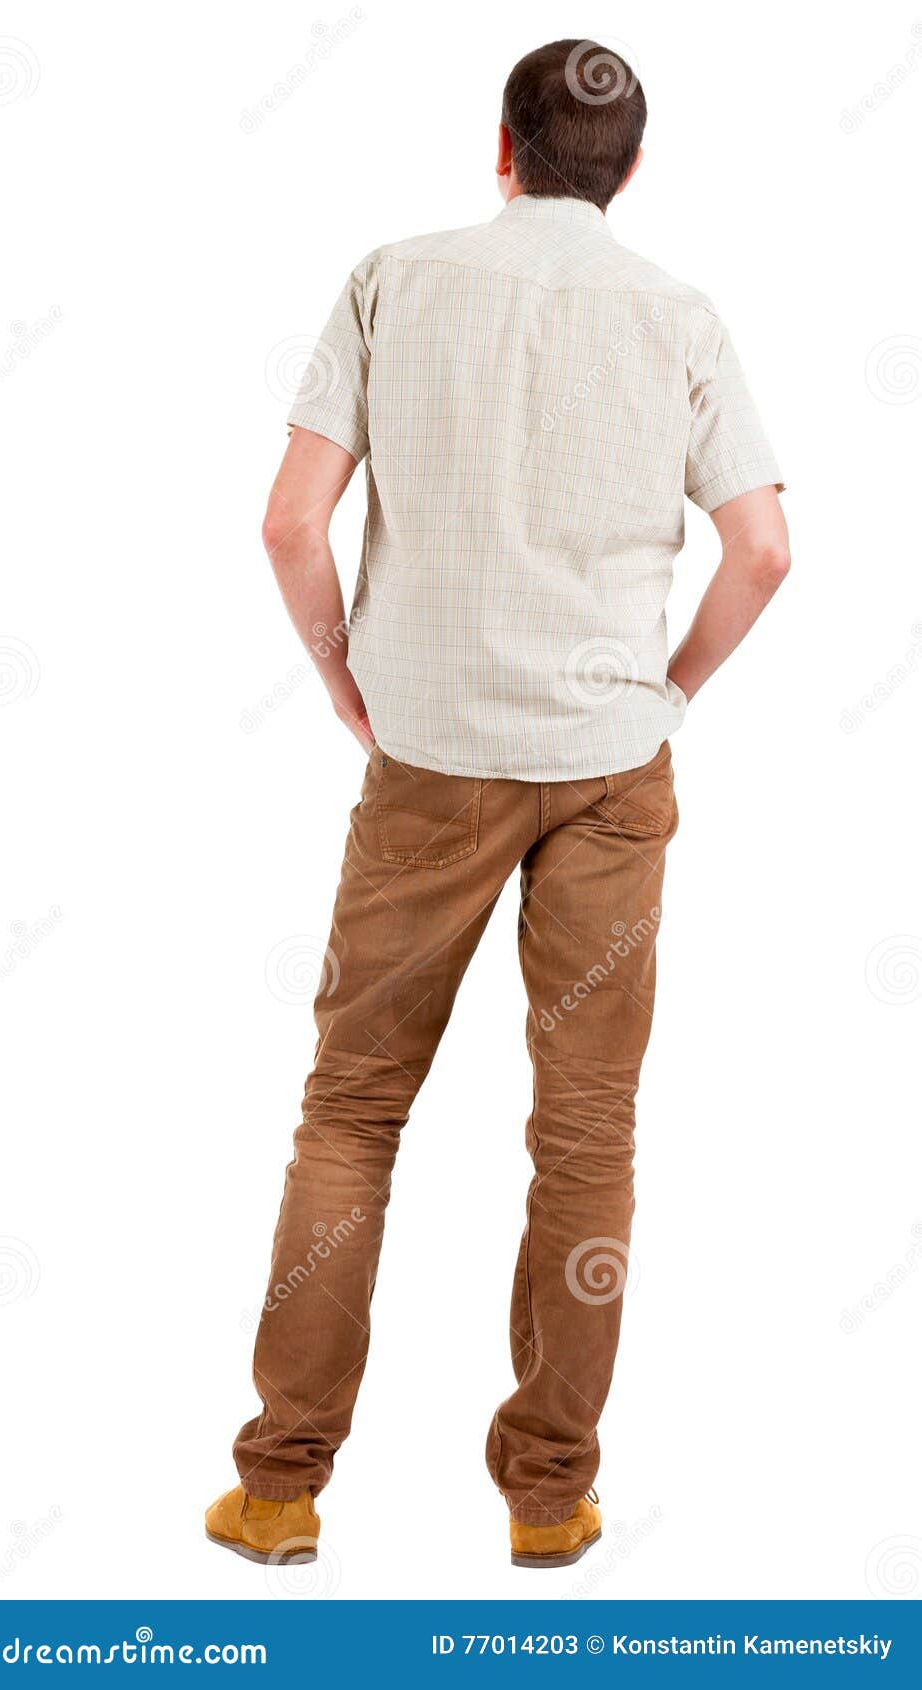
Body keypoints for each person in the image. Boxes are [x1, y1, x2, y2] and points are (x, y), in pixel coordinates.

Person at [206, 37, 788, 1571]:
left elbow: (288, 523)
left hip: (430, 765)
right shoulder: (681, 316)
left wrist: (341, 676)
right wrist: (668, 692)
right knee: (587, 1135)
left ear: (503, 148)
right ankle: (549, 1495)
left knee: (350, 1110)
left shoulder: (395, 277)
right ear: (632, 171)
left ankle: (279, 1487)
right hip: (610, 770)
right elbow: (766, 549)